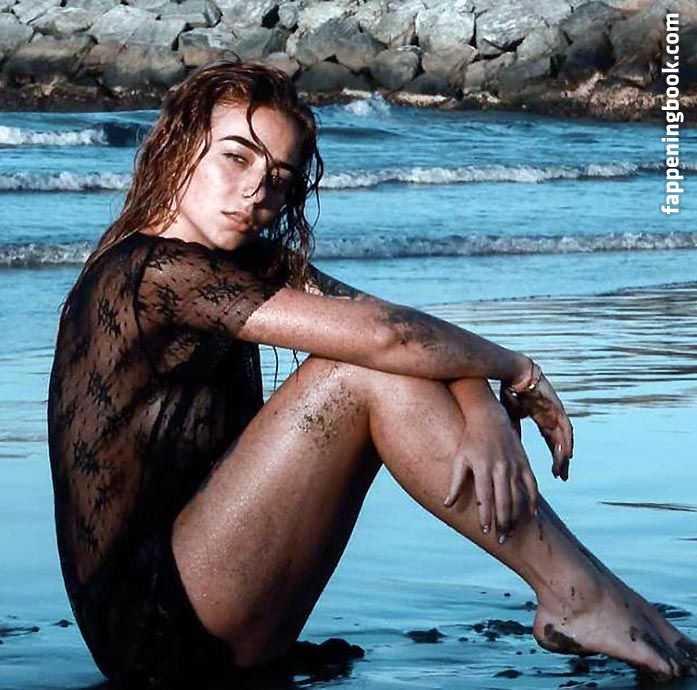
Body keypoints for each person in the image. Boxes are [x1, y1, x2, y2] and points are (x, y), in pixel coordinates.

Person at [47, 60, 697, 688]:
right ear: (178, 148)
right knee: (354, 370)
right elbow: (386, 340)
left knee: (375, 359)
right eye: (236, 157)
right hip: (153, 626)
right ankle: (578, 595)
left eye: (279, 177)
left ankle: (593, 596)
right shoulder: (151, 271)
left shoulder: (238, 263)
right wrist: (516, 369)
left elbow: (399, 329)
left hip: (215, 589)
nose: (257, 191)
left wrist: (483, 411)